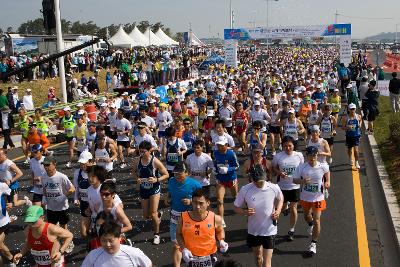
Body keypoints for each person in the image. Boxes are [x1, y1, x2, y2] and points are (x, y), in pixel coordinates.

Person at [233, 164, 283, 267]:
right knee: (258, 257)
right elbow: (236, 207)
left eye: (261, 181)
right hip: (253, 230)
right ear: (251, 178)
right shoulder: (245, 189)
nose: (259, 184)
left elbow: (280, 198)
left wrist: (278, 211)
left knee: (267, 263)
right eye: (256, 181)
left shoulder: (273, 187)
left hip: (270, 230)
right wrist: (245, 212)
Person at [292, 146, 330, 256]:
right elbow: (294, 180)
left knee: (317, 220)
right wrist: (302, 181)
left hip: (318, 197)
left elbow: (327, 173)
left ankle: (313, 244)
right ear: (307, 156)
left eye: (314, 155)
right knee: (307, 215)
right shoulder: (302, 167)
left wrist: (327, 181)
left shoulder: (323, 166)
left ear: (317, 155)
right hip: (305, 197)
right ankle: (310, 224)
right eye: (310, 155)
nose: (312, 158)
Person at [176, 189, 228, 265]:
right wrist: (184, 249)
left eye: (201, 203)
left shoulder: (215, 218)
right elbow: (178, 234)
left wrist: (221, 240)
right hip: (191, 255)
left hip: (210, 255)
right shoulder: (183, 217)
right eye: (194, 203)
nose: (197, 207)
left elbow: (220, 230)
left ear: (208, 203)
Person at [132, 141, 169, 245]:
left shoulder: (155, 161)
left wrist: (156, 180)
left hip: (154, 189)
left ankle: (156, 234)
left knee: (152, 214)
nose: (141, 154)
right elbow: (134, 172)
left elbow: (166, 174)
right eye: (140, 151)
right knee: (146, 215)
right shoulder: (137, 160)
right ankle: (158, 215)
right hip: (144, 189)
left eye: (144, 152)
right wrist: (137, 179)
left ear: (149, 151)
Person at [166, 162, 202, 267]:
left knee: (192, 244)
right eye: (175, 173)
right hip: (175, 216)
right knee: (176, 245)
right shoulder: (171, 181)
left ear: (187, 173)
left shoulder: (195, 185)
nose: (177, 176)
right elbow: (170, 192)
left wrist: (191, 201)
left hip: (190, 217)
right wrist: (167, 198)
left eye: (180, 173)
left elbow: (203, 201)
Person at [272, 136, 304, 241]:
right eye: (285, 146)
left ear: (293, 145)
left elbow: (302, 168)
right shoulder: (278, 157)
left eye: (290, 146)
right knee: (280, 207)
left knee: (293, 208)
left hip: (295, 186)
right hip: (281, 187)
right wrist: (279, 173)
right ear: (282, 146)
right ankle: (274, 226)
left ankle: (291, 230)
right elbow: (274, 168)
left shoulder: (299, 155)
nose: (288, 148)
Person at [81, 221, 152, 267]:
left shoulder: (133, 253)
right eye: (103, 241)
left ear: (120, 238)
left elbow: (149, 265)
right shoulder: (93, 256)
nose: (107, 244)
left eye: (111, 240)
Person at [213, 137, 239, 228]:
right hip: (221, 180)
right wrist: (214, 170)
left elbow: (237, 166)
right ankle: (221, 219)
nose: (219, 147)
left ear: (226, 145)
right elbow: (215, 164)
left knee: (235, 196)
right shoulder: (215, 153)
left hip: (231, 179)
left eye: (221, 145)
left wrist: (228, 169)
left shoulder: (231, 154)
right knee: (219, 200)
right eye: (218, 145)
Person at [73, 151, 94, 238]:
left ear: (90, 161)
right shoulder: (77, 172)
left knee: (98, 231)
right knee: (84, 233)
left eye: (84, 163)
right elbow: (76, 187)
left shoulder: (97, 172)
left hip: (96, 204)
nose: (82, 165)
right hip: (84, 203)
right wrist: (76, 198)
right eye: (81, 163)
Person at [341, 103, 362, 169]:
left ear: (355, 109)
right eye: (351, 109)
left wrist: (360, 125)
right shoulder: (345, 118)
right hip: (349, 136)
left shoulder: (358, 116)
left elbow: (360, 121)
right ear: (349, 110)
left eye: (353, 109)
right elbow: (342, 127)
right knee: (350, 149)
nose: (352, 110)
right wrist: (348, 127)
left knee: (356, 150)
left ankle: (356, 162)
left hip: (356, 135)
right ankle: (350, 158)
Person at [0, 181, 14, 265]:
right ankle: (11, 259)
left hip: (2, 222)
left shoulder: (1, 185)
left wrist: (10, 202)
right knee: (0, 245)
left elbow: (9, 191)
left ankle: (11, 260)